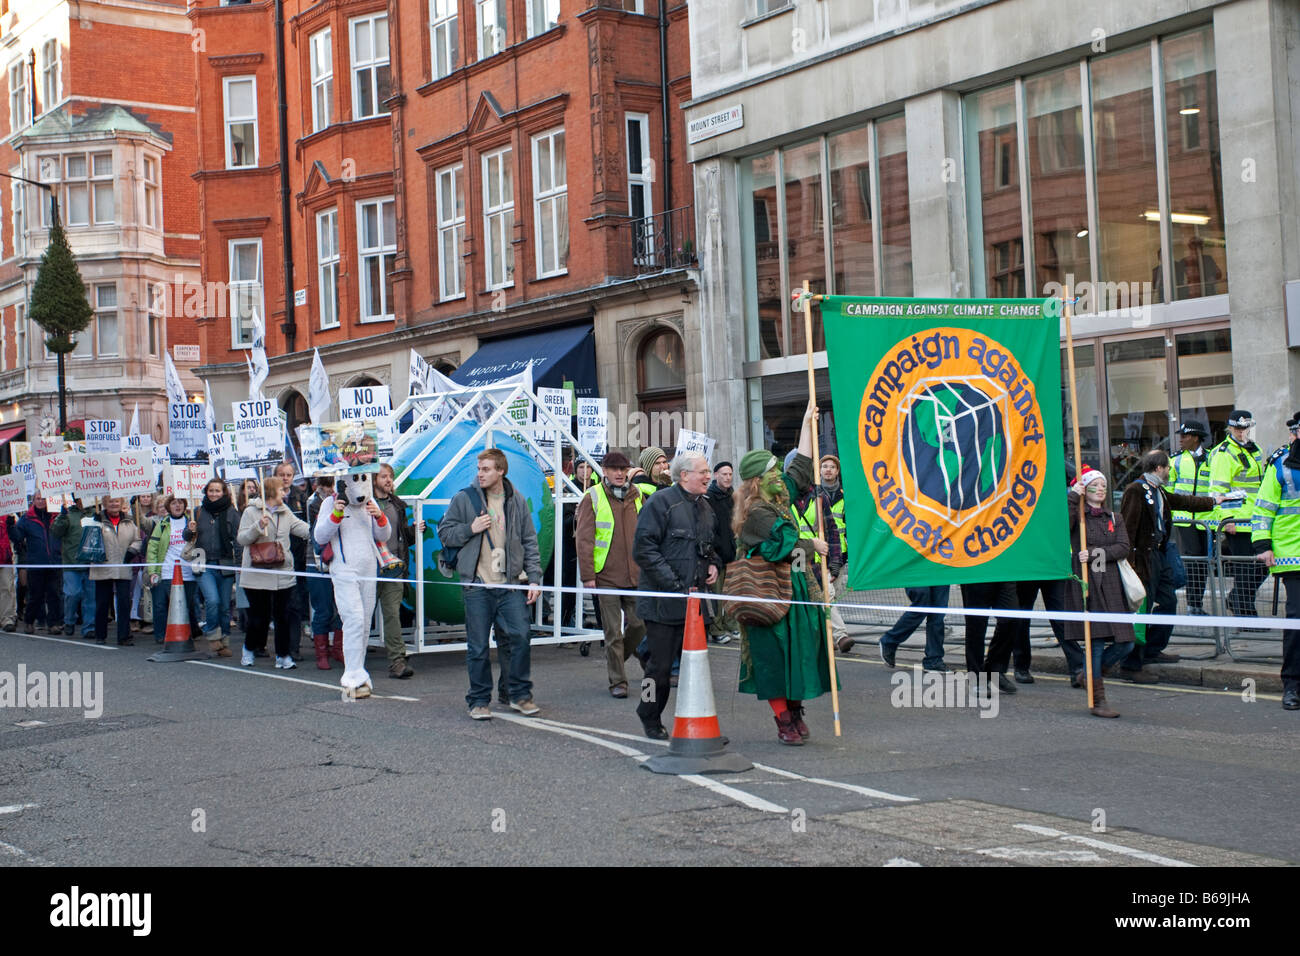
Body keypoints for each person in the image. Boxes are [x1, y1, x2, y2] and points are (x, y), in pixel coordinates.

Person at [733, 403, 836, 745]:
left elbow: (801, 470)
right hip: (767, 594)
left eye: (778, 469)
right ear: (758, 481)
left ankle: (795, 710)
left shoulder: (776, 499)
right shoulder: (758, 512)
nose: (781, 476)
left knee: (797, 652)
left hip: (794, 591)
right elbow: (782, 544)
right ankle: (783, 719)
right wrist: (812, 546)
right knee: (773, 657)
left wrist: (807, 424)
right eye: (773, 472)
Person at [439, 448, 543, 720]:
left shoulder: (517, 500)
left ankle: (518, 694)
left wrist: (534, 579)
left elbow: (529, 542)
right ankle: (478, 700)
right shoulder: (465, 499)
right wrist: (469, 529)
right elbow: (445, 533)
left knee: (520, 636)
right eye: (479, 469)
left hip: (510, 585)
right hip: (477, 585)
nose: (480, 473)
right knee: (478, 646)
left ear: (501, 471)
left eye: (486, 469)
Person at [632, 450, 719, 740]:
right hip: (662, 603)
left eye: (708, 472)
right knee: (658, 670)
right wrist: (674, 585)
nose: (709, 476)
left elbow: (709, 548)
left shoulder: (705, 508)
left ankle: (697, 722)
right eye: (703, 472)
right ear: (684, 476)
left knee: (695, 668)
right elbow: (644, 550)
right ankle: (648, 713)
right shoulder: (660, 503)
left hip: (695, 604)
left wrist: (714, 566)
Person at [1119, 449, 1219, 683]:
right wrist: (1131, 563)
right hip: (1143, 559)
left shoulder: (1158, 490)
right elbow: (1128, 527)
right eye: (1167, 468)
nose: (1169, 471)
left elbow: (1183, 501)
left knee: (1169, 601)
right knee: (1141, 609)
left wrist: (1215, 501)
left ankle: (1153, 649)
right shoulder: (1136, 490)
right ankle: (1131, 664)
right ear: (1158, 468)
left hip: (1159, 555)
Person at [1064, 466, 1135, 718]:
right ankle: (1098, 698)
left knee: (1126, 642)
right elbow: (1062, 527)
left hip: (1112, 583)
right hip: (1087, 584)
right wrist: (1073, 495)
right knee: (1094, 643)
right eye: (1095, 484)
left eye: (1104, 484)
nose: (1101, 488)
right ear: (1086, 488)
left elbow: (1123, 547)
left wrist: (1095, 553)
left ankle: (1089, 675)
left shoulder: (1114, 518)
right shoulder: (1078, 517)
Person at [576, 450, 646, 698]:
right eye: (614, 469)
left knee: (639, 625)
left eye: (623, 469)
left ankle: (617, 658)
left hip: (635, 575)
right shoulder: (592, 497)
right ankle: (618, 681)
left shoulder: (638, 496)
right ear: (604, 471)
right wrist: (588, 576)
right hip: (605, 575)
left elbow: (645, 535)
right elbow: (584, 539)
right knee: (613, 632)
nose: (619, 473)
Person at [314, 472, 389, 698]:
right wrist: (336, 514)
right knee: (353, 618)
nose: (360, 484)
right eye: (354, 478)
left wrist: (379, 517)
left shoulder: (370, 501)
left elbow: (384, 534)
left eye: (364, 478)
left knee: (365, 621)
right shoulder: (330, 503)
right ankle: (351, 676)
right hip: (344, 569)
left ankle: (359, 672)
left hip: (368, 568)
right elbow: (319, 536)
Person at [1251, 419, 1300, 710]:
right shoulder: (1281, 463)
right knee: (1296, 623)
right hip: (1293, 554)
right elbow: (1264, 506)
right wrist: (1262, 544)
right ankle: (1292, 685)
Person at [237, 476, 311, 669]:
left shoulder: (285, 512)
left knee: (283, 616)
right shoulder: (250, 512)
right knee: (258, 617)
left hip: (282, 571)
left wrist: (325, 531)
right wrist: (257, 527)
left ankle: (283, 655)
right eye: (281, 490)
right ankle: (249, 649)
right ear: (271, 492)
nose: (285, 493)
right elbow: (242, 539)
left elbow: (302, 529)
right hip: (257, 571)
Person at [1209, 410, 1267, 623]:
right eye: (1237, 428)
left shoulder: (1255, 449)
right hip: (1238, 520)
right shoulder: (1223, 453)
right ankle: (1245, 616)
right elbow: (1217, 490)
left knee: (1264, 564)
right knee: (1244, 570)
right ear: (1230, 428)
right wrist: (1227, 518)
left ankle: (1236, 599)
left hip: (1256, 519)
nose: (1241, 431)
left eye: (1244, 427)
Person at [792, 455, 852, 654]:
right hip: (797, 555)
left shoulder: (819, 496)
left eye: (831, 467)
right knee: (804, 596)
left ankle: (839, 635)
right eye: (823, 466)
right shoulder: (783, 498)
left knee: (827, 594)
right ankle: (829, 635)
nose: (827, 470)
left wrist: (835, 560)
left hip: (820, 557)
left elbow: (833, 531)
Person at [374, 462, 422, 679]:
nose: (388, 480)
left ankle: (397, 661)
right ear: (374, 480)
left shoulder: (397, 505)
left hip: (393, 567)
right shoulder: (364, 505)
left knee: (392, 614)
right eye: (383, 476)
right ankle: (352, 659)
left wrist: (414, 530)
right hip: (369, 567)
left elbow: (403, 538)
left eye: (390, 476)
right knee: (362, 616)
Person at [187, 478, 240, 657]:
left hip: (225, 563)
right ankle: (212, 635)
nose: (214, 494)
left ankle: (224, 640)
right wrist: (190, 530)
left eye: (218, 490)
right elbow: (188, 537)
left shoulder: (232, 512)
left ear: (224, 492)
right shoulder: (198, 511)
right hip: (203, 562)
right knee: (213, 600)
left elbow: (238, 539)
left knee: (225, 606)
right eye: (211, 490)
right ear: (206, 492)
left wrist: (240, 564)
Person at [1170, 420, 1215, 615]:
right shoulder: (1176, 460)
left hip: (1207, 519)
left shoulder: (1212, 458)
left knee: (1203, 559)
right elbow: (1168, 490)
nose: (1181, 439)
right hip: (1184, 518)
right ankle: (1192, 603)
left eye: (1185, 436)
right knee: (1193, 557)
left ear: (1196, 438)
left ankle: (1196, 603)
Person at [146, 495, 202, 643]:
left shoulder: (192, 522)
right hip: (168, 571)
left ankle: (187, 634)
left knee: (187, 604)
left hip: (189, 572)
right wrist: (153, 571)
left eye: (180, 503)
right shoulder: (162, 524)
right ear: (168, 506)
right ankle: (163, 635)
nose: (177, 506)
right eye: (173, 503)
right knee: (166, 605)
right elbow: (152, 548)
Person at [90, 497, 140, 646]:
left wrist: (132, 551)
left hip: (122, 565)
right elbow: (89, 540)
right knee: (102, 603)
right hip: (103, 566)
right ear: (105, 504)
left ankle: (124, 636)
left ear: (121, 504)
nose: (114, 504)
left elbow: (137, 540)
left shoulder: (129, 522)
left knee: (124, 602)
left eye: (117, 501)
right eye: (110, 501)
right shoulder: (97, 521)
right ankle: (100, 634)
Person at [306, 476, 344, 669]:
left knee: (341, 609)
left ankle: (338, 648)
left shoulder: (345, 501)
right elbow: (320, 532)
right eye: (327, 486)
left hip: (339, 560)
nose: (330, 490)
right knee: (323, 610)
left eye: (333, 485)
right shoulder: (314, 503)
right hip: (317, 562)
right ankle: (322, 652)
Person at [275, 460, 312, 659]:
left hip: (297, 559)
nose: (286, 478)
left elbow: (305, 526)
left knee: (296, 603)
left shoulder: (301, 497)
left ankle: (293, 647)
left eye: (289, 474)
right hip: (274, 559)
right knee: (280, 606)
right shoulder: (268, 499)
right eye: (282, 474)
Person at [11, 494, 62, 634]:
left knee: (54, 594)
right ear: (33, 501)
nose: (41, 501)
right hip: (36, 563)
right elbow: (17, 537)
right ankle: (29, 621)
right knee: (35, 595)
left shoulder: (56, 516)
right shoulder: (27, 518)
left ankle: (53, 624)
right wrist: (10, 526)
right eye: (38, 499)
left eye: (44, 498)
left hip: (54, 562)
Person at [52, 497, 97, 639]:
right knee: (73, 594)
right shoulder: (68, 515)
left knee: (91, 597)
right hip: (72, 563)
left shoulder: (95, 513)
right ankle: (69, 620)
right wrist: (62, 517)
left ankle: (89, 627)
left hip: (91, 563)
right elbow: (55, 533)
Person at [705, 460, 737, 645]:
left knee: (731, 595)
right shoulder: (709, 498)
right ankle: (717, 629)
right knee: (716, 596)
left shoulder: (733, 497)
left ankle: (731, 624)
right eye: (724, 474)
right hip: (716, 556)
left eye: (730, 474)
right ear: (716, 475)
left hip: (732, 554)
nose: (727, 477)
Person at [129, 493, 157, 632]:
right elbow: (137, 520)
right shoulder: (132, 516)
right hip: (136, 556)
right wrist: (135, 508)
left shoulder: (155, 516)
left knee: (147, 588)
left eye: (148, 496)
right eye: (142, 497)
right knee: (135, 588)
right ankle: (134, 617)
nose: (146, 499)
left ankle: (147, 618)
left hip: (148, 556)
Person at [0, 511, 16, 632]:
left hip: (4, 558)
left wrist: (11, 523)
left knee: (7, 588)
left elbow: (15, 534)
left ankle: (7, 619)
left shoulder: (7, 514)